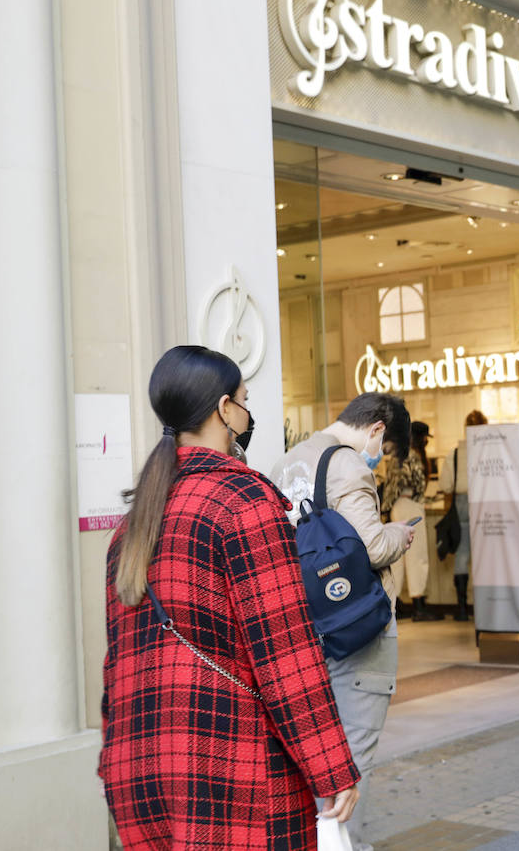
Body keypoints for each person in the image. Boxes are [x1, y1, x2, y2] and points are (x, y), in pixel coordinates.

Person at [99, 345, 359, 849]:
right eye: (243, 398)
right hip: (229, 765)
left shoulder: (132, 526)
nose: (246, 410)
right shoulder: (243, 504)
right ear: (224, 410)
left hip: (140, 766)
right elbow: (286, 653)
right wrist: (331, 766)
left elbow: (119, 663)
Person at [271, 393, 416, 851]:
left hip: (304, 626)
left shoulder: (286, 463)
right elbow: (371, 547)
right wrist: (401, 532)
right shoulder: (349, 465)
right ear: (376, 429)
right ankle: (342, 844)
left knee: (312, 750)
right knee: (353, 753)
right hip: (356, 628)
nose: (379, 460)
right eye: (384, 449)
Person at [384, 420, 441, 621]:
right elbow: (418, 484)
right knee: (417, 556)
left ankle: (396, 604)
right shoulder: (413, 456)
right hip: (410, 506)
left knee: (398, 558)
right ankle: (418, 605)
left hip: (396, 508)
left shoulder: (397, 454)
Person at [438, 409, 488, 621]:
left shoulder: (455, 453)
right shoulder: (489, 450)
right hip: (485, 501)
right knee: (486, 555)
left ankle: (461, 609)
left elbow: (446, 486)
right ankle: (486, 605)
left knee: (463, 554)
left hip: (461, 504)